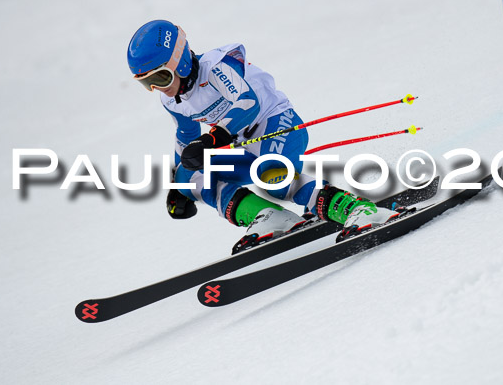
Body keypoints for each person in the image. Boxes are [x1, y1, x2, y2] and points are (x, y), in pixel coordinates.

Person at [126, 20, 400, 251]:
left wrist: (212, 138)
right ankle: (268, 216)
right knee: (191, 178)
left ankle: (358, 210)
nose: (157, 88)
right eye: (146, 83)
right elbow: (186, 137)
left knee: (270, 176)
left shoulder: (216, 67)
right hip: (242, 146)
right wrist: (179, 186)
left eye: (160, 78)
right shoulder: (173, 101)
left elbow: (247, 103)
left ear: (180, 62)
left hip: (278, 125)